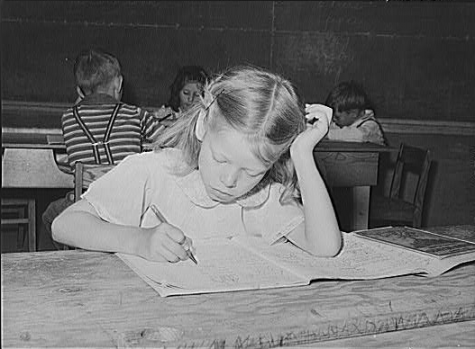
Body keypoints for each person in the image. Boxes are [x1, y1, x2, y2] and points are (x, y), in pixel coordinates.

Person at [52, 65, 342, 262]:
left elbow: (325, 246)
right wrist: (139, 241)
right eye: (221, 159)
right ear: (203, 125)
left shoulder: (263, 196)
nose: (230, 180)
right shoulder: (154, 171)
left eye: (252, 171)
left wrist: (302, 155)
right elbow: (65, 224)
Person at [42, 48, 165, 249]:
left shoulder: (69, 118)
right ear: (118, 84)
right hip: (128, 205)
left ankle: (65, 261)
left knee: (50, 215)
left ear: (79, 91)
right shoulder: (135, 114)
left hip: (84, 205)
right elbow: (168, 138)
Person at [325, 81, 386, 145]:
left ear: (353, 113)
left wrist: (326, 135)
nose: (333, 119)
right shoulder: (340, 123)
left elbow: (358, 135)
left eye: (337, 117)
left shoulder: (371, 126)